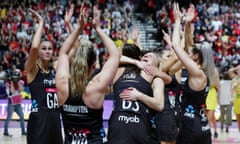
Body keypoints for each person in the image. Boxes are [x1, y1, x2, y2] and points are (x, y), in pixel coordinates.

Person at [55, 5, 120, 143]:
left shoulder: (62, 84)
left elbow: (63, 53)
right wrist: (97, 28)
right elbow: (115, 54)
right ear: (94, 65)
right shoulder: (96, 87)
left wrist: (78, 28)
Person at [171, 3, 213, 144]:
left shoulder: (196, 72)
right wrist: (188, 23)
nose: (188, 53)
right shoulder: (201, 71)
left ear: (195, 56)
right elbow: (190, 44)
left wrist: (177, 22)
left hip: (190, 127)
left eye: (191, 53)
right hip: (203, 126)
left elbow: (176, 46)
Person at [107, 43, 165, 144]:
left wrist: (139, 96)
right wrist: (135, 62)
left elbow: (159, 105)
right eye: (144, 55)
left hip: (139, 126)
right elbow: (114, 57)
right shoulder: (120, 70)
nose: (146, 56)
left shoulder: (155, 78)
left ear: (156, 65)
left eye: (151, 56)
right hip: (118, 126)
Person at [24, 9, 63, 144]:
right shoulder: (32, 69)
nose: (47, 51)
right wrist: (41, 23)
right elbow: (34, 47)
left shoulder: (55, 68)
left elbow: (70, 52)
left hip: (55, 122)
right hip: (39, 123)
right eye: (44, 48)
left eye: (49, 48)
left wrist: (72, 25)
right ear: (39, 52)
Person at [3, 68, 26, 137]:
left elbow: (21, 90)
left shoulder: (21, 81)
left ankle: (23, 132)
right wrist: (12, 82)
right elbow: (12, 92)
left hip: (18, 103)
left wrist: (18, 81)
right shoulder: (8, 83)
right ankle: (5, 132)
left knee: (22, 117)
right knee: (8, 118)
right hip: (11, 104)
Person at [205, 64, 220, 138]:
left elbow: (218, 85)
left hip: (212, 92)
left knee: (209, 116)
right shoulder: (202, 68)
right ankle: (215, 130)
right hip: (204, 93)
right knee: (211, 115)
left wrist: (219, 97)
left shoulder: (214, 70)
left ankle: (206, 132)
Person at [228, 65, 240, 132]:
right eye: (238, 70)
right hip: (237, 101)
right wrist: (230, 98)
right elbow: (231, 91)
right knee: (238, 120)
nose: (239, 71)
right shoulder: (234, 79)